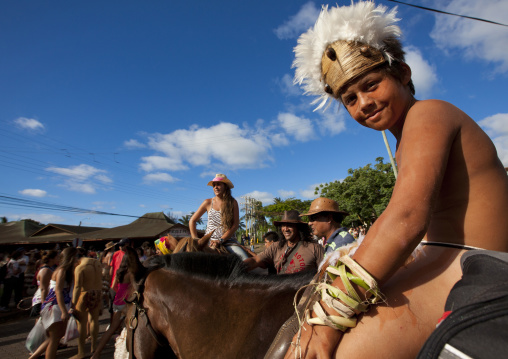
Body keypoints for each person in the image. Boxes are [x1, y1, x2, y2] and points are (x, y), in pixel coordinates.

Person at [280, 2, 508, 358]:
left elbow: (406, 219)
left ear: (402, 73)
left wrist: (329, 318)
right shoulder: (407, 139)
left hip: (479, 266)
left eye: (371, 84)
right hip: (446, 261)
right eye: (350, 99)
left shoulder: (428, 114)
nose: (364, 103)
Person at [29, 247, 81, 359]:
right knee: (54, 339)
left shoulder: (67, 271)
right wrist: (64, 311)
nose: (79, 258)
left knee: (55, 337)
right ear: (71, 258)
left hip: (60, 305)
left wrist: (70, 306)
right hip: (55, 306)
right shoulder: (61, 271)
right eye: (77, 256)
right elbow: (58, 291)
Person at [189, 173, 249, 260]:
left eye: (218, 184)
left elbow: (235, 225)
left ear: (225, 186)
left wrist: (221, 240)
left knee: (245, 260)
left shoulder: (233, 202)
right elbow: (192, 221)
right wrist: (195, 239)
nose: (215, 187)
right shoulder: (208, 202)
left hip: (228, 241)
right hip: (209, 241)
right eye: (214, 185)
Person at [244, 210, 324, 274]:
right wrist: (238, 267)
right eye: (283, 225)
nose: (285, 229)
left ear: (298, 227)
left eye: (289, 225)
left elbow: (325, 273)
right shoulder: (275, 247)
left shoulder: (315, 248)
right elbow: (255, 260)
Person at [91, 256, 132, 359]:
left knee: (112, 328)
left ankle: (97, 353)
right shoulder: (131, 273)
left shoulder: (119, 272)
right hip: (125, 302)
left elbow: (113, 286)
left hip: (117, 300)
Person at [71, 247, 103, 359]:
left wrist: (73, 303)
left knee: (82, 323)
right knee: (94, 320)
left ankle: (81, 351)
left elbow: (77, 287)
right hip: (98, 293)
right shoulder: (98, 264)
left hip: (84, 294)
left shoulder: (80, 268)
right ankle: (94, 348)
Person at [31, 250, 58, 317]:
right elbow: (43, 289)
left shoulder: (49, 269)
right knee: (40, 325)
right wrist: (44, 306)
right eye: (57, 257)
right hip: (41, 301)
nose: (59, 259)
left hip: (46, 299)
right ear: (51, 259)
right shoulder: (45, 271)